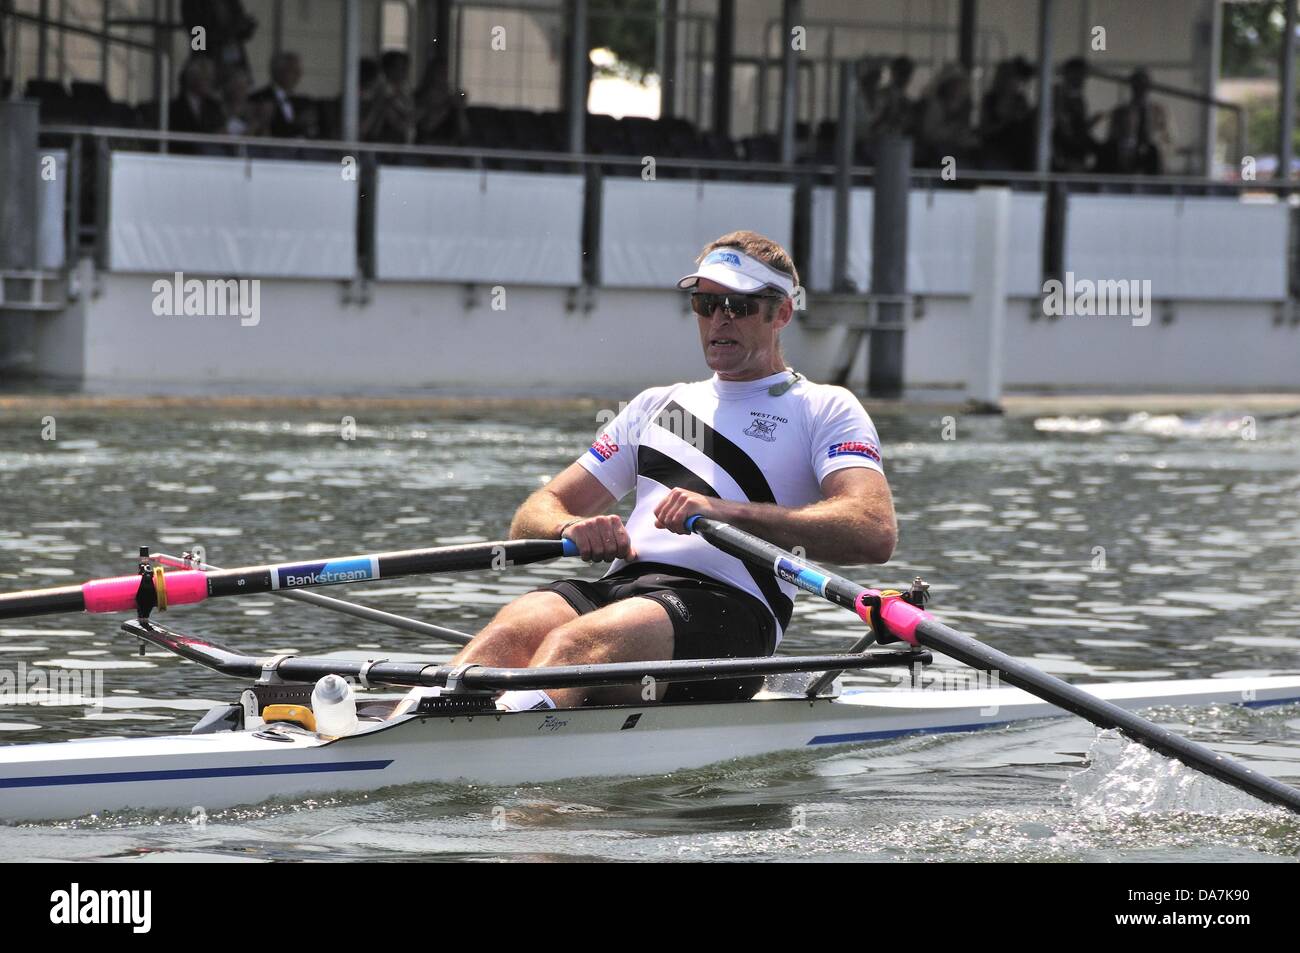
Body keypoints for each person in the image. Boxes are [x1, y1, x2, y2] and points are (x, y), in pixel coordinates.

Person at [410, 232, 897, 713]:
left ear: (782, 314)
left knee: (574, 646)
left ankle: (508, 748)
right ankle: (410, 721)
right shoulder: (659, 406)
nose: (719, 319)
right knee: (508, 632)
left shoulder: (823, 407)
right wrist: (569, 527)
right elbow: (533, 515)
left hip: (732, 611)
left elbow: (873, 532)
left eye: (739, 306)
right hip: (624, 585)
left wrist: (726, 513)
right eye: (706, 303)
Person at [1098, 68, 1167, 175]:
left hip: (1149, 153)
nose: (1140, 89)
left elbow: (1168, 138)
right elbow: (1112, 135)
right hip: (1124, 153)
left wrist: (1156, 144)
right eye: (1137, 85)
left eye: (1144, 85)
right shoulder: (1120, 111)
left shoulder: (1159, 112)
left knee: (1153, 152)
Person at [979, 56, 1035, 170]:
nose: (1011, 81)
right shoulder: (990, 99)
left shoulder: (1020, 99)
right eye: (1007, 76)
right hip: (995, 146)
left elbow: (1027, 124)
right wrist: (1006, 121)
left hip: (1019, 148)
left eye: (1013, 77)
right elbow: (985, 129)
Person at [1052, 56, 1102, 172]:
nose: (1082, 79)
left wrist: (1090, 124)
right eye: (1079, 75)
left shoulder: (1079, 99)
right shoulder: (1058, 94)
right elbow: (1062, 125)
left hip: (1076, 142)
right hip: (1062, 143)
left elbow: (1079, 126)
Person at [251, 51, 306, 138]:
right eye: (293, 71)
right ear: (279, 71)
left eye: (299, 72)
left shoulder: (301, 101)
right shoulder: (260, 97)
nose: (298, 76)